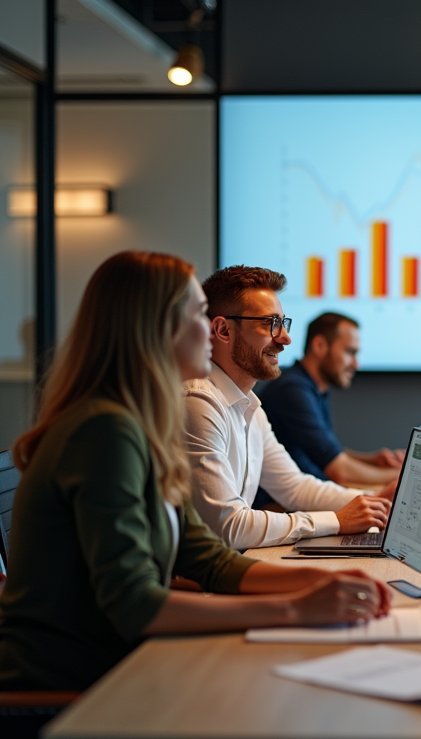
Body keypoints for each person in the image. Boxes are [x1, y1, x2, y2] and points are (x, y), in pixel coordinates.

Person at [0, 252, 390, 692]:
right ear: (154, 330)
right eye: (198, 315)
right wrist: (296, 608)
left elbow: (205, 557)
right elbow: (137, 605)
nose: (210, 328)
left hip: (111, 668)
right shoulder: (104, 431)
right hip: (60, 694)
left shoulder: (144, 421)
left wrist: (321, 581)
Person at [183, 266, 393, 550]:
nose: (284, 338)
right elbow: (229, 527)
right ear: (222, 330)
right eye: (269, 323)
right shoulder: (199, 402)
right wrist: (336, 521)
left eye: (283, 323)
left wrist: (374, 501)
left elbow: (295, 487)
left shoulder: (251, 409)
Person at [259, 312, 405, 489]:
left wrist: (372, 460)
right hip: (280, 507)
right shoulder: (292, 390)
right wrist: (404, 474)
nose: (356, 364)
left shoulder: (314, 388)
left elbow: (329, 453)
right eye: (350, 352)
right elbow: (340, 471)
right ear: (320, 345)